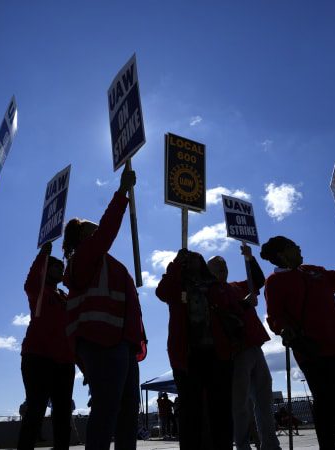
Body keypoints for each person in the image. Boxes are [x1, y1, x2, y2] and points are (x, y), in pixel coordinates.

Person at [62, 168, 147, 450]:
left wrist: (137, 342)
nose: (96, 228)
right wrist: (122, 190)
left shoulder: (108, 264)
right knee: (108, 409)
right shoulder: (85, 256)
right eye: (89, 227)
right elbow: (108, 227)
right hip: (101, 341)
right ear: (80, 237)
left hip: (123, 344)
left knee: (127, 413)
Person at [260, 236, 335, 450]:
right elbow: (274, 316)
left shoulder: (313, 269)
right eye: (293, 246)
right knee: (326, 404)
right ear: (282, 254)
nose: (299, 247)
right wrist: (283, 329)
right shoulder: (274, 282)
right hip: (314, 350)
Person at [155, 249, 239, 450]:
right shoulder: (177, 285)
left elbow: (232, 308)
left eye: (195, 259)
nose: (191, 262)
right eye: (187, 260)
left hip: (217, 353)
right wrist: (176, 263)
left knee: (220, 407)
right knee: (190, 409)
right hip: (187, 354)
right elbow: (162, 292)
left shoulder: (215, 287)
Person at [207, 248, 281, 450]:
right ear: (209, 271)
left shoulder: (237, 286)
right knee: (241, 405)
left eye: (224, 265)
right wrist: (244, 305)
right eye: (217, 266)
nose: (223, 269)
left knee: (264, 400)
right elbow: (222, 316)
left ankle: (270, 444)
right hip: (236, 351)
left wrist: (249, 258)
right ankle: (242, 445)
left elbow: (257, 281)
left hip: (255, 346)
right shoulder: (210, 292)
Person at [17, 242, 75, 450]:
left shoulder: (65, 297)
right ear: (45, 269)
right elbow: (32, 280)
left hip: (65, 361)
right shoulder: (39, 290)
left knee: (63, 414)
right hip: (38, 357)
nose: (59, 270)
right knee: (35, 410)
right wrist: (43, 255)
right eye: (55, 266)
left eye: (62, 267)